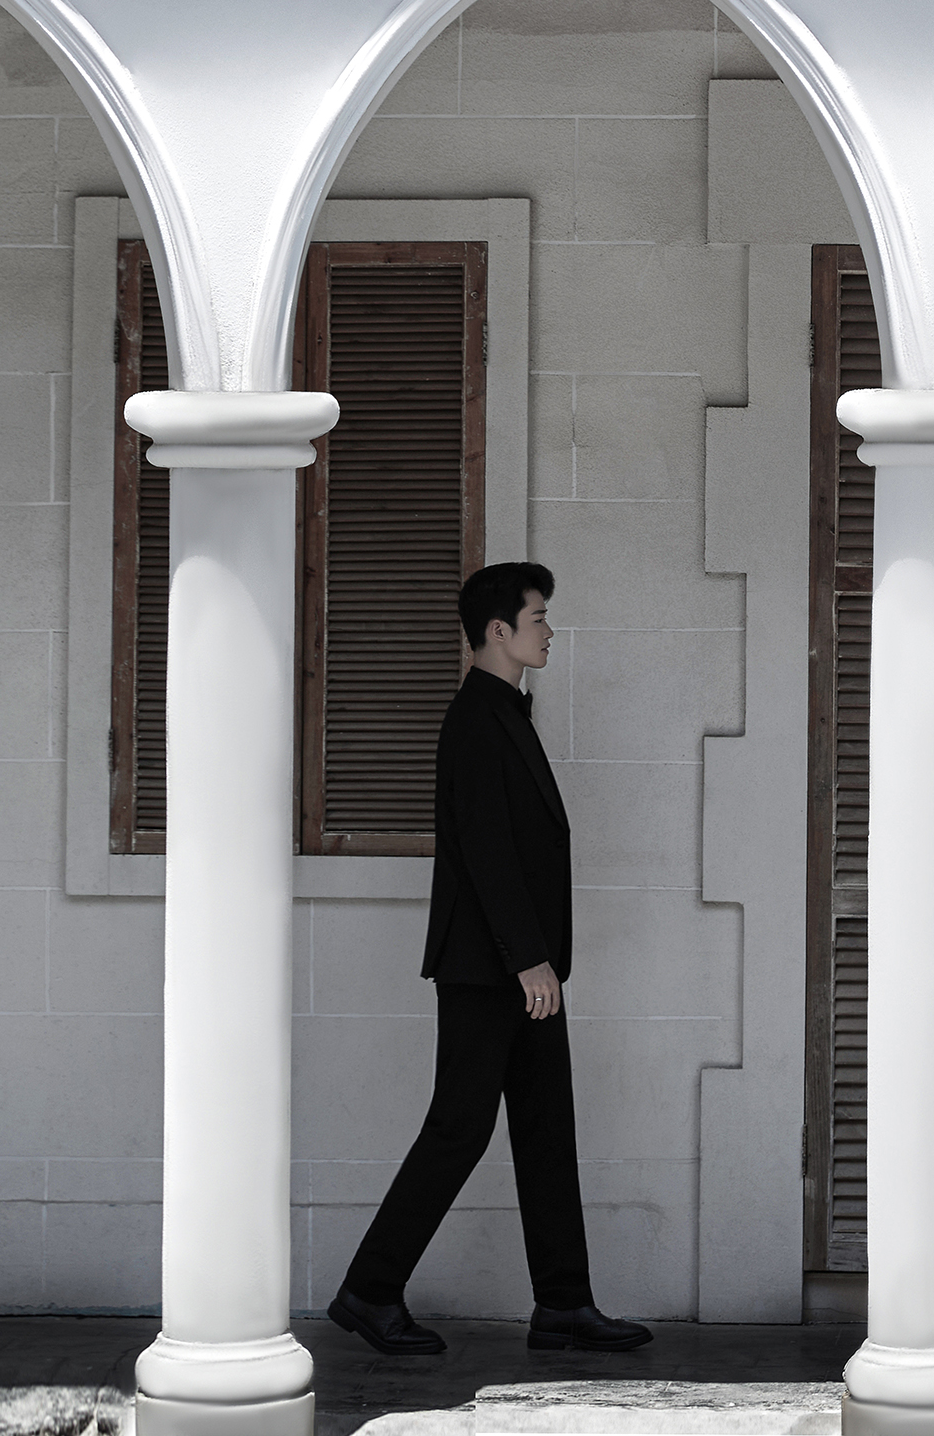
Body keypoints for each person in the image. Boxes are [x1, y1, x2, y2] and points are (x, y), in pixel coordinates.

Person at [326, 563, 652, 1357]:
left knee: (545, 1127)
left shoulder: (504, 713)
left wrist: (536, 960)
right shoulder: (475, 718)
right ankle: (370, 1290)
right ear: (499, 631)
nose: (550, 631)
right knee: (459, 1128)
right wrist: (528, 959)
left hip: (521, 966)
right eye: (538, 618)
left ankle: (564, 1305)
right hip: (491, 967)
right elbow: (486, 850)